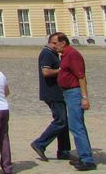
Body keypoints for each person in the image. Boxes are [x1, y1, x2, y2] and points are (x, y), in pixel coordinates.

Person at [53, 32, 96, 171]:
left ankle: (88, 160)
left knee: (77, 126)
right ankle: (84, 156)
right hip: (68, 93)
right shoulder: (65, 55)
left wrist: (84, 98)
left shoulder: (72, 54)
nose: (54, 46)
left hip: (74, 93)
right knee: (76, 126)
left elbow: (81, 76)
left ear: (63, 42)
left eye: (55, 43)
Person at [30, 33, 71, 161]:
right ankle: (40, 143)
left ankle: (64, 151)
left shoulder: (53, 53)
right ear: (49, 42)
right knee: (61, 121)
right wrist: (63, 70)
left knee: (63, 122)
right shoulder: (47, 53)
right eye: (53, 43)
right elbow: (46, 72)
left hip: (57, 92)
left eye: (57, 43)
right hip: (52, 92)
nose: (56, 46)